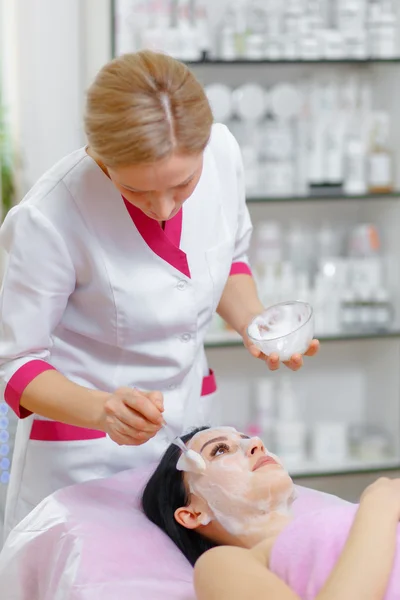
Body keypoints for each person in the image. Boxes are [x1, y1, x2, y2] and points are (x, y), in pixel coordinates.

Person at [0, 50, 319, 540]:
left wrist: (256, 324)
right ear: (97, 155)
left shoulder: (222, 154)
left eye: (183, 184)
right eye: (137, 191)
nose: (164, 207)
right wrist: (102, 409)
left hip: (190, 442)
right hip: (85, 459)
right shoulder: (47, 218)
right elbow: (16, 364)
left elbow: (228, 258)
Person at [142, 426, 400, 600]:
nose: (256, 443)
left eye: (246, 438)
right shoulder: (221, 565)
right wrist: (380, 506)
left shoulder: (345, 516)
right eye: (220, 450)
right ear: (193, 515)